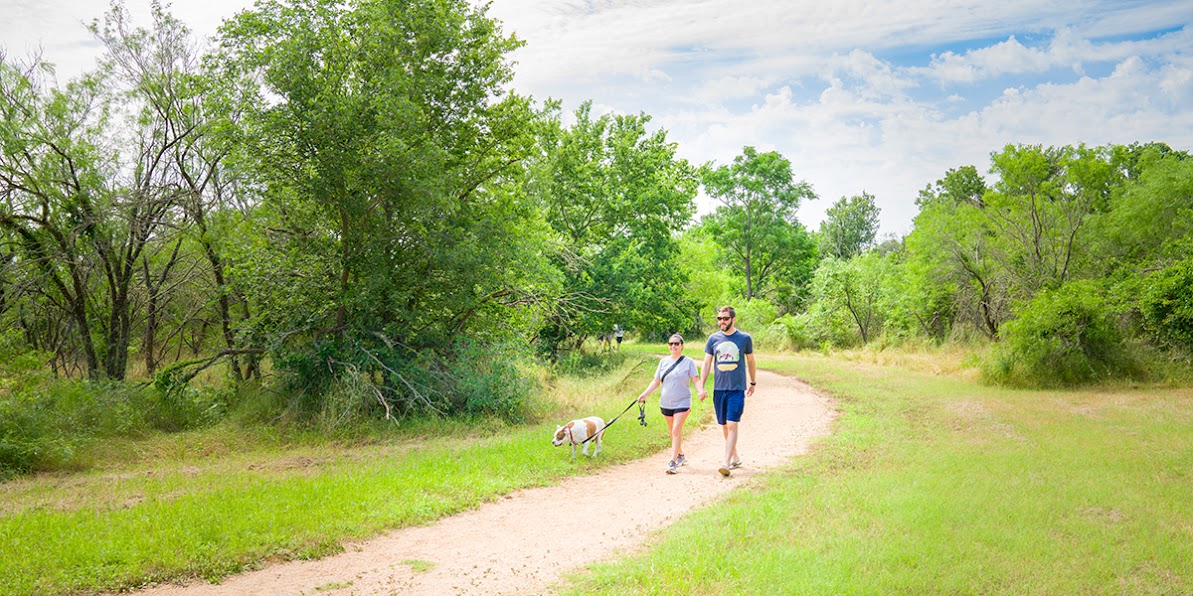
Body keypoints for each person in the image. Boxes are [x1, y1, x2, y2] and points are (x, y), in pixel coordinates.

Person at [698, 306, 756, 477]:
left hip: (736, 388)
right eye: (719, 319)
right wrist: (701, 386)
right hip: (719, 389)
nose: (721, 322)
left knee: (732, 424)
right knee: (724, 425)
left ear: (733, 319)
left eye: (725, 318)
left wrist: (753, 381)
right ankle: (735, 457)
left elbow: (751, 361)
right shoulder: (713, 339)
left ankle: (726, 462)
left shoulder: (744, 338)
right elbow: (707, 363)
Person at [637, 334, 699, 474]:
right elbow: (656, 381)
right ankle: (681, 456)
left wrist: (700, 391)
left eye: (676, 344)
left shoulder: (688, 362)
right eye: (671, 344)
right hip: (666, 402)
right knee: (672, 432)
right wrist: (644, 394)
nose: (673, 346)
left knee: (676, 429)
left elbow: (695, 380)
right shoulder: (663, 362)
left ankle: (672, 462)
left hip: (683, 401)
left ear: (682, 345)